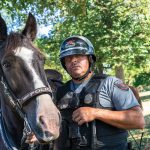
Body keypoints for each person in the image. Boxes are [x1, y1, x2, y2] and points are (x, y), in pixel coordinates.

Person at [54, 35, 145, 150]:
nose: (73, 60)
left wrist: (95, 113)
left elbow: (138, 120)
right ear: (64, 64)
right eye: (68, 58)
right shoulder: (59, 92)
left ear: (89, 59)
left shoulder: (111, 83)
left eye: (79, 55)